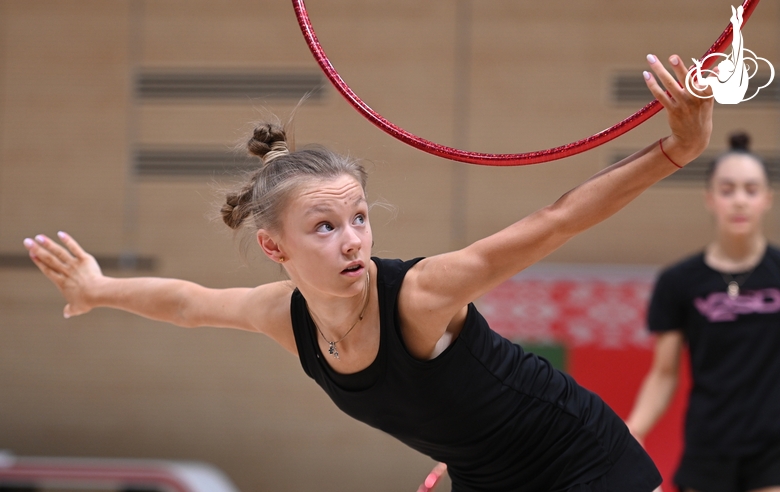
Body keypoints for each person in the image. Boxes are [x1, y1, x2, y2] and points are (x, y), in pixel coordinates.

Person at [24, 54, 711, 492]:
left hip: (580, 461)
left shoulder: (420, 294)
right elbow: (187, 302)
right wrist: (95, 289)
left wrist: (676, 152)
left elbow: (555, 222)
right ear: (275, 249)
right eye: (325, 227)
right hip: (485, 475)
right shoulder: (282, 315)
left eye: (358, 219)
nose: (352, 240)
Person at [626, 132, 780, 492]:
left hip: (774, 447)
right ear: (709, 198)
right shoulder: (679, 281)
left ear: (767, 199)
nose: (739, 201)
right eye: (727, 190)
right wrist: (635, 428)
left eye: (750, 190)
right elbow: (664, 374)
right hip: (708, 446)